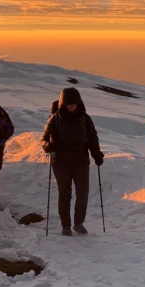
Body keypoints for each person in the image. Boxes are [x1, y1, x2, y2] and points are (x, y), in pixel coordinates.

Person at [42, 87, 104, 236]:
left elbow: (92, 139)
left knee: (82, 192)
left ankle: (78, 223)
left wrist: (97, 155)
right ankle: (65, 225)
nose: (72, 107)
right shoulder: (55, 119)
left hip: (81, 161)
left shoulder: (85, 119)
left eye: (74, 104)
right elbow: (44, 140)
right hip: (61, 162)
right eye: (69, 104)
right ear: (63, 104)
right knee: (65, 193)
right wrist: (50, 146)